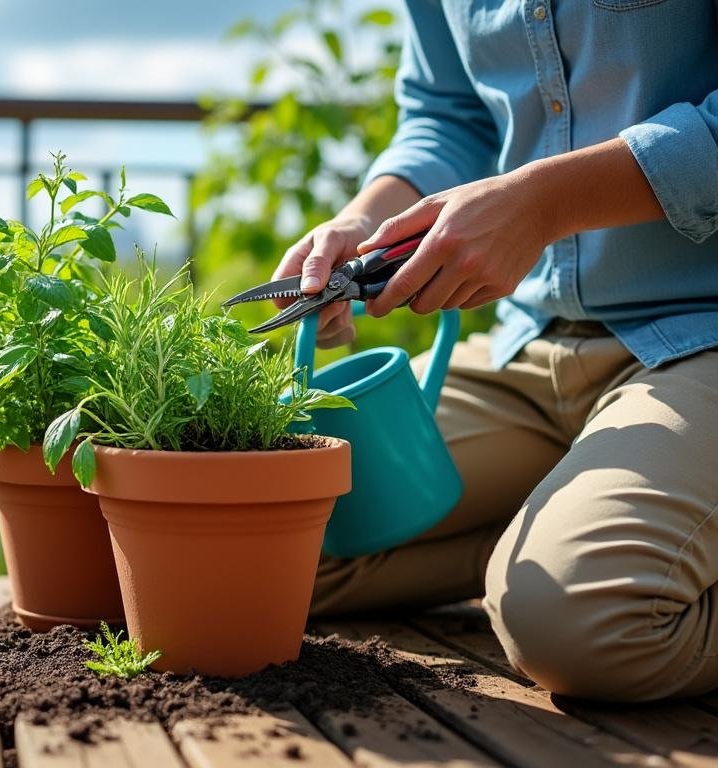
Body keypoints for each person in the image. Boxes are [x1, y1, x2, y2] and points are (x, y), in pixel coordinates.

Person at [291, 0, 718, 703]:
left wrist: (544, 204)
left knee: (583, 625)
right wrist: (364, 223)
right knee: (275, 537)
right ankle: (577, 520)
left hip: (701, 334)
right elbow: (447, 113)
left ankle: (589, 550)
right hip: (531, 341)